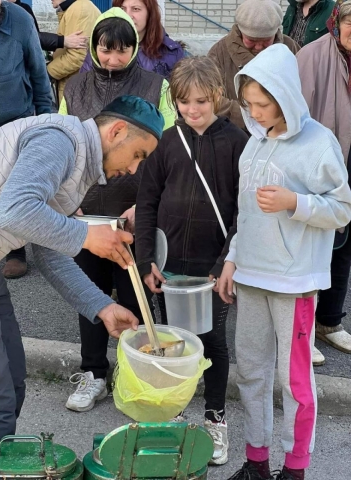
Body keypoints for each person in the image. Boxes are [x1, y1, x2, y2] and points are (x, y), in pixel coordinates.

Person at [0, 94, 164, 441]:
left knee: (12, 380)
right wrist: (86, 235)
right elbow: (14, 211)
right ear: (116, 131)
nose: (133, 170)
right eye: (137, 156)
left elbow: (51, 251)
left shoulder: (79, 166)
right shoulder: (60, 140)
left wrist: (101, 306)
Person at [218, 44, 351, 480]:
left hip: (294, 281)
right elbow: (246, 214)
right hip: (252, 276)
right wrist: (232, 261)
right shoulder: (253, 145)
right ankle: (256, 461)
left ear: (286, 98)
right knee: (251, 373)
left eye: (262, 104)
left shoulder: (318, 143)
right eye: (249, 104)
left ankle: (295, 469)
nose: (253, 114)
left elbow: (342, 209)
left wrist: (295, 202)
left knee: (294, 380)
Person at [59, 7, 176, 413]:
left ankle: (135, 373)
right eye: (105, 50)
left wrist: (143, 204)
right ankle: (92, 373)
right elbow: (65, 145)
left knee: (135, 294)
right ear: (94, 47)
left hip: (133, 212)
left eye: (121, 51)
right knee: (89, 295)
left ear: (134, 48)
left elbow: (166, 149)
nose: (112, 59)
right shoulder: (74, 86)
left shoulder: (155, 84)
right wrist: (66, 203)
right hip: (85, 212)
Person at [135, 56, 248, 466]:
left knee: (214, 341)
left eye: (201, 101)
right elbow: (146, 202)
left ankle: (215, 417)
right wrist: (146, 256)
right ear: (175, 100)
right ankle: (178, 412)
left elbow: (243, 214)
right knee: (175, 342)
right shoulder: (166, 141)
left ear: (218, 96)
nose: (193, 109)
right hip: (169, 263)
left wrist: (226, 264)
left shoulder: (238, 142)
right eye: (185, 102)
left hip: (212, 268)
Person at [296, 0, 351, 365]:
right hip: (323, 163)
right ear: (338, 23)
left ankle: (330, 322)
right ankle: (303, 329)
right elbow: (296, 117)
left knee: (345, 245)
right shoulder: (312, 56)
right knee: (315, 247)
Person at [0, 0, 52, 279]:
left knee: (13, 191)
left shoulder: (20, 20)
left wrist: (48, 126)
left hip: (16, 123)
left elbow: (39, 76)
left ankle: (16, 250)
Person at [207, 0, 300, 129]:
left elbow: (303, 89)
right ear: (240, 31)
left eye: (266, 40)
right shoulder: (219, 52)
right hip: (235, 132)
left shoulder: (290, 47)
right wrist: (249, 114)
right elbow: (210, 96)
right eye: (251, 40)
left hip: (282, 131)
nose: (259, 46)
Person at [80, 0, 186, 79]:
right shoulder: (102, 46)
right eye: (122, 9)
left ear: (150, 14)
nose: (128, 15)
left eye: (136, 9)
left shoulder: (171, 52)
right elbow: (84, 86)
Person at [47, 0, 100, 104]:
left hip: (77, 88)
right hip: (75, 85)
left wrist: (48, 72)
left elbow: (78, 56)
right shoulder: (76, 8)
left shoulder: (80, 9)